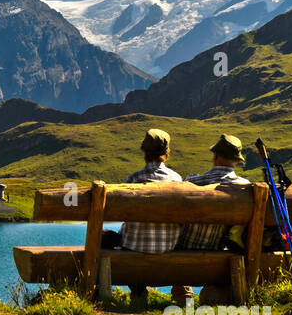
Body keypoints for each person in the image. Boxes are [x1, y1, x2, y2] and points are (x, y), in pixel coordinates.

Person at [98, 128, 186, 305]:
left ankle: (137, 293)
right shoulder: (177, 180)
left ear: (145, 153)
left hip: (134, 248)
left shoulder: (132, 179)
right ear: (166, 153)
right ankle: (184, 297)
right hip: (168, 246)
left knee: (107, 236)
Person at [178, 134, 252, 253]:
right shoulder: (244, 187)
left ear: (215, 156)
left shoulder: (191, 182)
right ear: (237, 161)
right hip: (219, 253)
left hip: (183, 251)